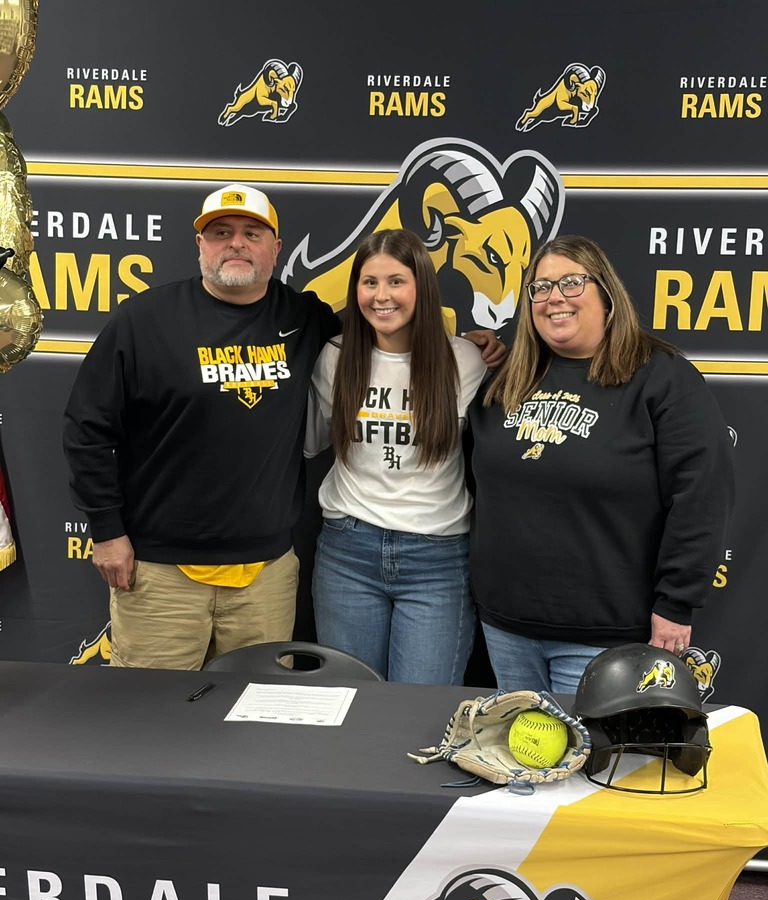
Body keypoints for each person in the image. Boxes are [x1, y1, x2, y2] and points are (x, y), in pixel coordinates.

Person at [63, 186, 504, 671]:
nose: (236, 244)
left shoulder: (303, 318)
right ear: (200, 246)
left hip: (265, 575)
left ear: (275, 249)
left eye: (252, 233)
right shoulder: (143, 320)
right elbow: (87, 428)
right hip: (161, 571)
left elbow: (384, 327)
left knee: (260, 722)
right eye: (221, 233)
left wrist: (470, 343)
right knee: (152, 721)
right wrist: (106, 530)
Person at [468, 234, 734, 694]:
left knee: (591, 767)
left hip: (605, 639)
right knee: (522, 765)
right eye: (540, 287)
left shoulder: (661, 378)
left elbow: (702, 497)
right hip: (506, 627)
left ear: (606, 294)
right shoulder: (509, 381)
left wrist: (675, 603)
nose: (555, 298)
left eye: (572, 283)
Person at [306, 229, 487, 684]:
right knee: (348, 705)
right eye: (369, 283)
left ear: (421, 287)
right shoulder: (335, 357)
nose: (381, 296)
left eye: (395, 281)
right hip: (348, 551)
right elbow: (309, 442)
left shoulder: (465, 359)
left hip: (438, 558)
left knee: (419, 713)